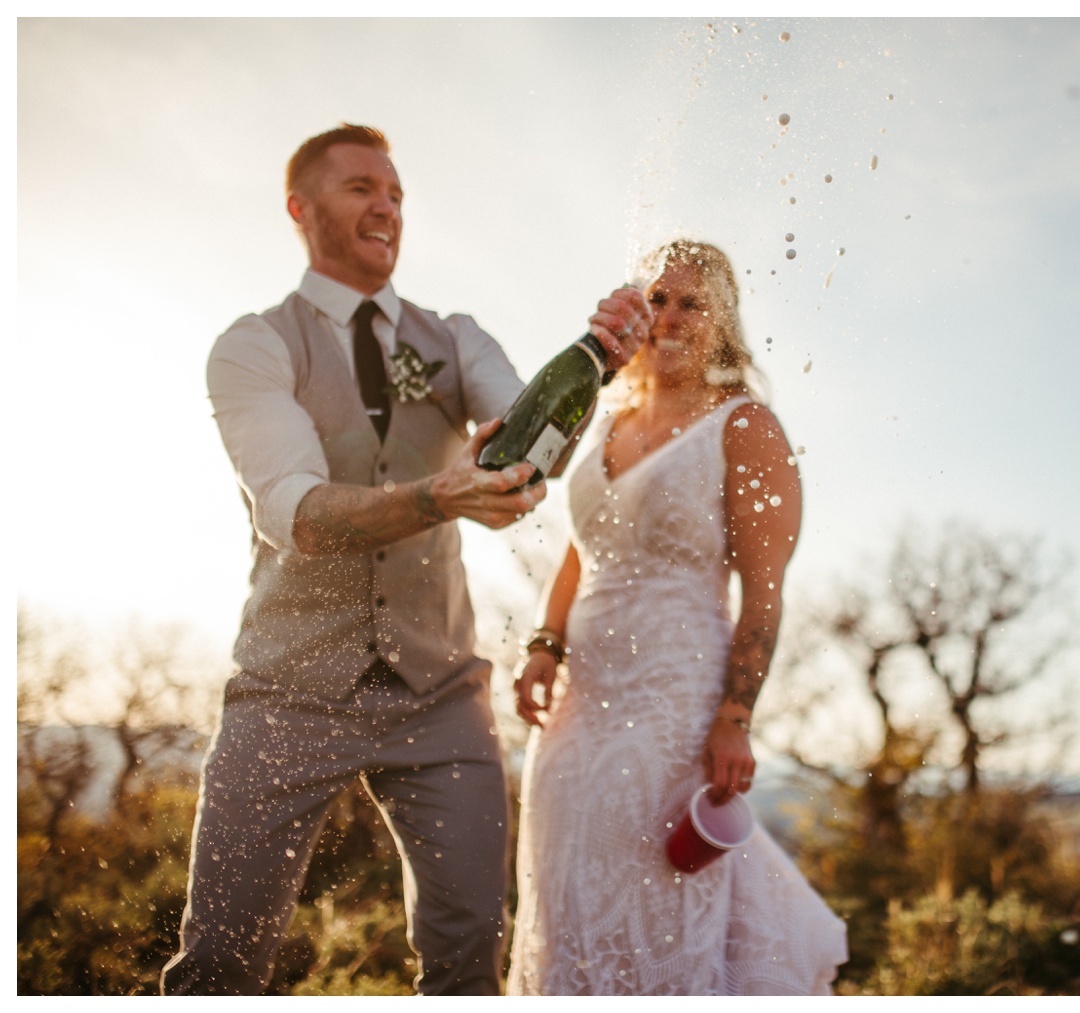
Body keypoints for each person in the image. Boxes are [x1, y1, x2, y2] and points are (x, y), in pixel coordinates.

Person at [159, 124, 651, 995]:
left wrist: (598, 362)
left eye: (395, 193)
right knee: (220, 965)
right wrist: (436, 494)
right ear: (300, 209)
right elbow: (297, 512)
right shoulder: (255, 346)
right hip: (287, 691)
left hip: (440, 698)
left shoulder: (454, 339)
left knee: (468, 963)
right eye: (360, 188)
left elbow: (525, 449)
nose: (386, 205)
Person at [506, 240, 848, 994]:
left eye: (691, 302)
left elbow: (765, 589)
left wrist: (735, 713)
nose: (669, 316)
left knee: (661, 901)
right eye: (657, 298)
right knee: (565, 896)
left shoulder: (746, 426)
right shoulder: (604, 416)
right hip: (577, 710)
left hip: (675, 709)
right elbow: (580, 550)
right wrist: (544, 642)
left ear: (722, 321)